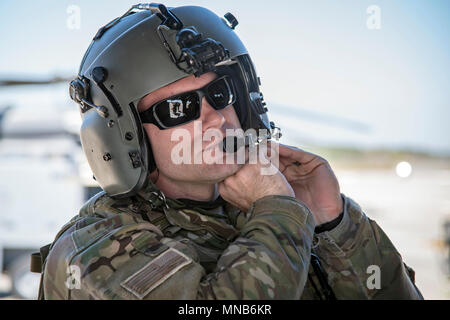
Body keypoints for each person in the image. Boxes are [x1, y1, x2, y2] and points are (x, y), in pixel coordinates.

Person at [35, 4, 423, 299]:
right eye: (177, 109)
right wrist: (279, 213)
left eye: (220, 94)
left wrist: (331, 220)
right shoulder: (95, 250)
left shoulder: (267, 211)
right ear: (124, 137)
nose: (214, 117)